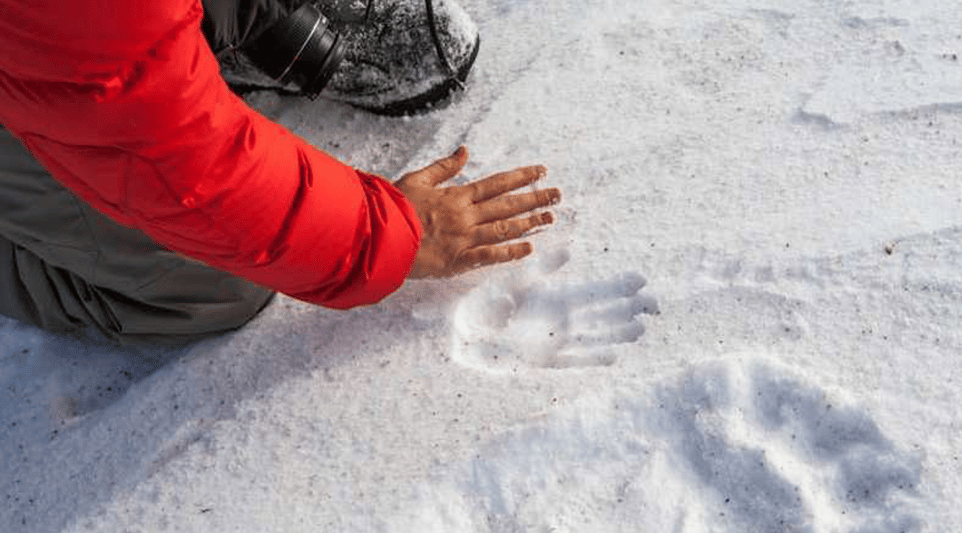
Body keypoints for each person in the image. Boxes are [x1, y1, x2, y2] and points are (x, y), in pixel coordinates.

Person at [0, 0, 560, 345]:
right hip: (53, 52)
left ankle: (201, 36)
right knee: (210, 280)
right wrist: (392, 235)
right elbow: (189, 174)